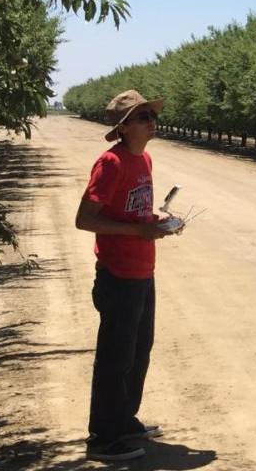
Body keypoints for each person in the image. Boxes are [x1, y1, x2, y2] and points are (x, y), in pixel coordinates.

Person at [74, 90, 181, 462]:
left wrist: (157, 222)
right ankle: (103, 438)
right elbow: (85, 219)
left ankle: (124, 420)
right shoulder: (111, 163)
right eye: (144, 117)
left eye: (152, 115)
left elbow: (134, 213)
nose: (153, 122)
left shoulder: (144, 159)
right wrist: (140, 232)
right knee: (115, 357)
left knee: (138, 352)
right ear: (124, 127)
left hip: (142, 271)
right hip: (118, 273)